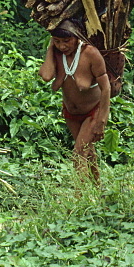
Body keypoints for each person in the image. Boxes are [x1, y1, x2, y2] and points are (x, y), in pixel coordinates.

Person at [39, 19, 110, 184]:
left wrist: (102, 120)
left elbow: (106, 88)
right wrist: (51, 48)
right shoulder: (57, 53)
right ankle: (98, 190)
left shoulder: (90, 53)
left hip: (93, 111)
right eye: (57, 41)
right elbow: (46, 76)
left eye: (66, 41)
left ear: (77, 37)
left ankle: (81, 198)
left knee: (79, 153)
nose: (62, 46)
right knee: (88, 151)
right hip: (71, 113)